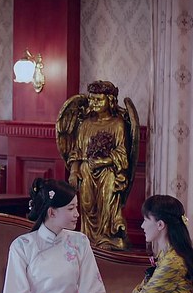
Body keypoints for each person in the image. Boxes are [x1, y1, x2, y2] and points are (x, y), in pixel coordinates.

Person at [56, 80, 138, 250]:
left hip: (108, 172)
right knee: (87, 204)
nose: (94, 103)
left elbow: (122, 153)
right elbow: (76, 152)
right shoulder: (85, 124)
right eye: (92, 99)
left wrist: (104, 161)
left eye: (99, 100)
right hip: (87, 171)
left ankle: (108, 236)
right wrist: (74, 171)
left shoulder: (117, 124)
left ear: (110, 101)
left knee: (107, 199)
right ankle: (88, 238)